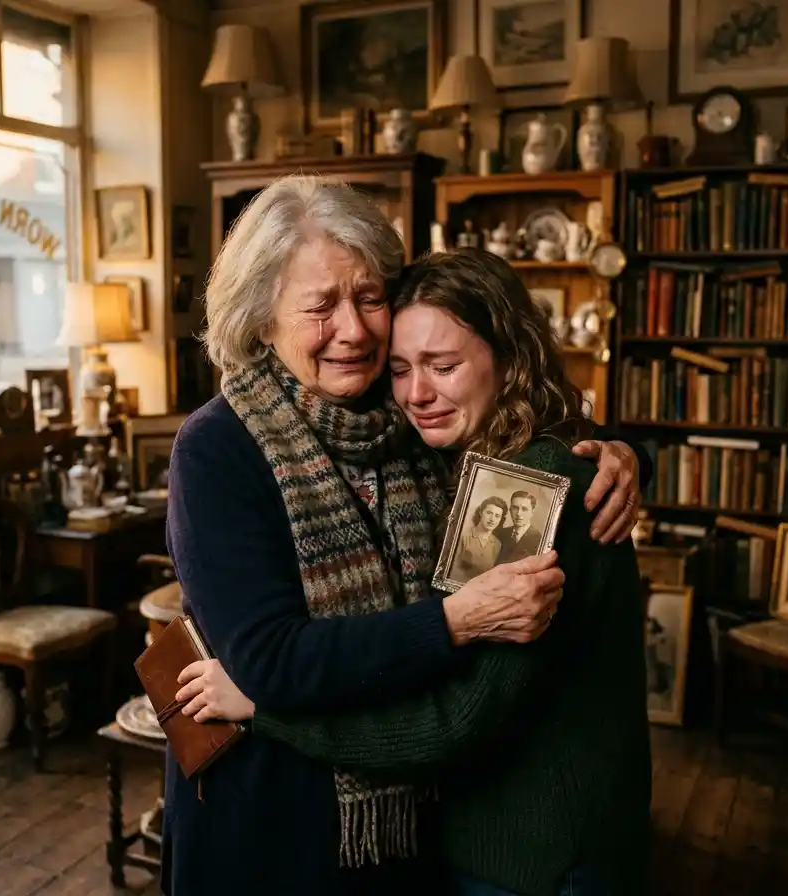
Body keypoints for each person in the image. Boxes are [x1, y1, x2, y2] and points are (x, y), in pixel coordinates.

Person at [163, 176, 649, 896]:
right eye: (321, 305)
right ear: (262, 316)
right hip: (272, 821)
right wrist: (454, 620)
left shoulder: (412, 423)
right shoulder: (218, 449)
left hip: (420, 826)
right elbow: (269, 661)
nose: (354, 329)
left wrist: (616, 453)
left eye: (368, 297)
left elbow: (529, 445)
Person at [450, 496, 507, 580]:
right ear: (481, 512)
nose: (492, 519)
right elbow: (452, 571)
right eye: (489, 513)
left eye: (497, 516)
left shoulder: (497, 544)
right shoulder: (464, 537)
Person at [496, 490, 542, 563]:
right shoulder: (500, 534)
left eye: (524, 509)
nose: (519, 513)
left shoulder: (540, 540)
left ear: (532, 512)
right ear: (510, 510)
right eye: (515, 508)